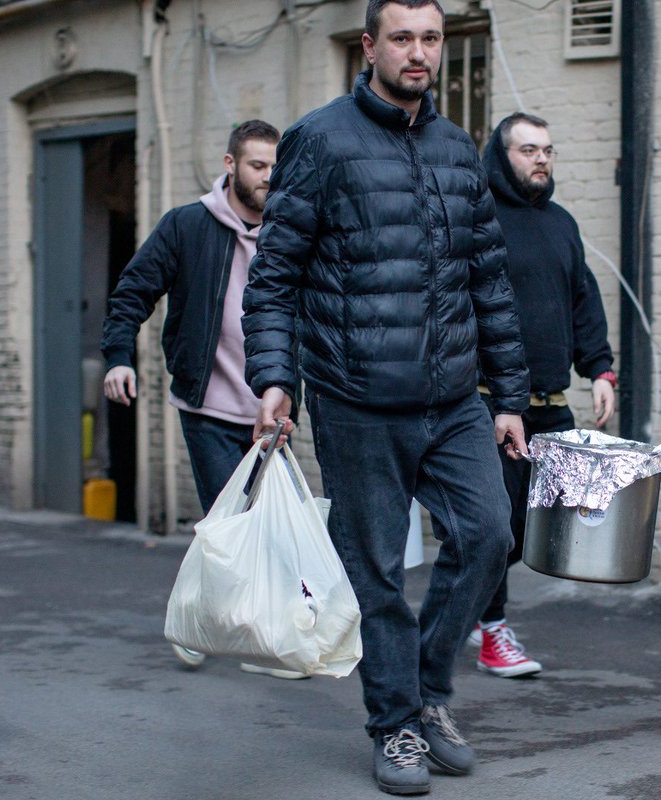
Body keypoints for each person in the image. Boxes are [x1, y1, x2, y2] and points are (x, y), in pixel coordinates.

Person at [241, 0, 529, 793]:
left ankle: (429, 693)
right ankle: (396, 725)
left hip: (451, 397)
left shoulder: (455, 147)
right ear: (369, 46)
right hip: (357, 397)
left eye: (430, 38)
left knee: (489, 534)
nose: (418, 52)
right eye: (401, 37)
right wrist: (275, 378)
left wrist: (507, 394)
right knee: (377, 573)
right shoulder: (322, 139)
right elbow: (275, 278)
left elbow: (489, 282)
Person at [100, 120, 305, 680]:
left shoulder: (292, 230)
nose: (267, 176)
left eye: (274, 166)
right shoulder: (188, 225)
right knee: (235, 524)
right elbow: (134, 291)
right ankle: (252, 636)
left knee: (267, 526)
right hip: (210, 403)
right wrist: (118, 354)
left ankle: (207, 615)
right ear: (231, 164)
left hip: (274, 407)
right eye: (257, 165)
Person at [461, 112, 616, 678]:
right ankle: (491, 630)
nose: (542, 160)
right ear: (501, 158)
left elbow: (583, 300)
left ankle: (458, 614)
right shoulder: (479, 222)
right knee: (493, 526)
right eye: (528, 150)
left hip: (551, 403)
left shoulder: (562, 223)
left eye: (548, 150)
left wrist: (600, 368)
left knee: (534, 530)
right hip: (489, 402)